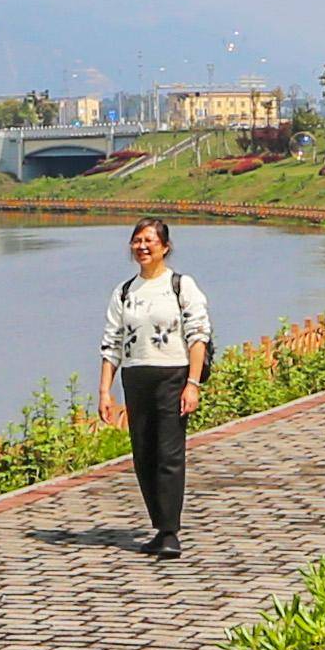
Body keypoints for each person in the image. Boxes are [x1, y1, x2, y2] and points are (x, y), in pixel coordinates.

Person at [96, 220, 216, 561]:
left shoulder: (180, 286)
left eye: (149, 240)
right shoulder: (124, 292)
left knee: (169, 453)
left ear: (165, 247)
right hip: (135, 378)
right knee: (143, 455)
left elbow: (198, 335)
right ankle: (159, 523)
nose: (142, 246)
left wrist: (192, 384)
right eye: (137, 240)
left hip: (173, 376)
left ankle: (169, 532)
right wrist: (105, 391)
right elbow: (112, 343)